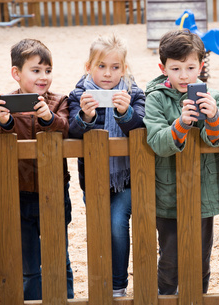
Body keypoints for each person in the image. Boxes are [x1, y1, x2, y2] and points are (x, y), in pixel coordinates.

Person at [0, 38, 74, 300]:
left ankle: (65, 298)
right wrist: (4, 121)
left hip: (55, 189)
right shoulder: (7, 101)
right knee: (29, 264)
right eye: (36, 70)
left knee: (60, 255)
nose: (44, 77)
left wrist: (48, 118)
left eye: (48, 70)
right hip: (20, 191)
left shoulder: (58, 102)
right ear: (17, 73)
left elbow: (65, 126)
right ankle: (33, 299)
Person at [143, 29, 219, 295]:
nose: (183, 75)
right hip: (167, 194)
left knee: (201, 260)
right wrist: (180, 123)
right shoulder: (155, 98)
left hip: (203, 192)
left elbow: (216, 139)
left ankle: (197, 297)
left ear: (201, 67)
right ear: (163, 68)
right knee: (169, 259)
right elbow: (157, 140)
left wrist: (213, 116)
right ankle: (166, 296)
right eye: (176, 68)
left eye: (190, 67)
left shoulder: (215, 97)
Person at [67, 34, 146, 297]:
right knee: (100, 228)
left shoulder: (134, 92)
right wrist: (85, 117)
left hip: (126, 178)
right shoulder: (79, 94)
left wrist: (126, 114)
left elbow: (142, 128)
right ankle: (101, 282)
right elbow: (72, 132)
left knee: (116, 224)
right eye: (101, 66)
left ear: (124, 68)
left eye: (115, 67)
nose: (108, 74)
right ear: (88, 66)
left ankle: (118, 286)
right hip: (94, 177)